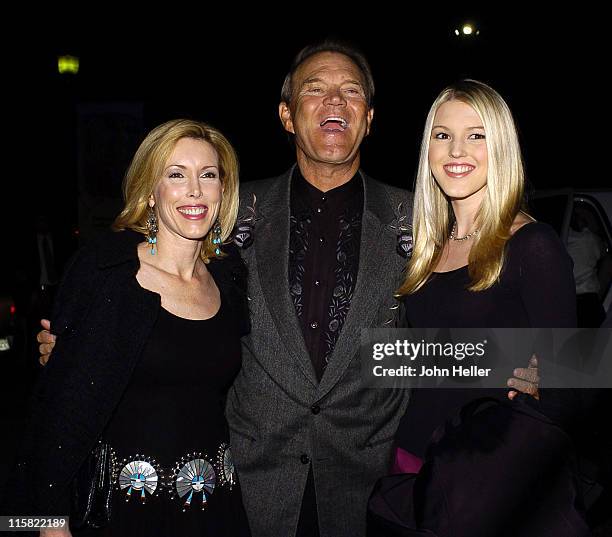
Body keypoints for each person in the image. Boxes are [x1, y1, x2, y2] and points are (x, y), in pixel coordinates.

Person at [35, 47, 538, 537]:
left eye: (351, 92)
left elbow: (424, 342)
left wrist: (537, 366)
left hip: (368, 491)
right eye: (315, 90)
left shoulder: (421, 221)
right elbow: (155, 291)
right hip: (242, 492)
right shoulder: (225, 210)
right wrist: (83, 344)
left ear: (369, 118)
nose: (335, 101)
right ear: (287, 116)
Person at [7, 119, 250, 536]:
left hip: (216, 510)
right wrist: (49, 523)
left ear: (222, 191)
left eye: (207, 175)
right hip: (121, 515)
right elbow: (58, 411)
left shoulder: (230, 276)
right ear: (151, 194)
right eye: (176, 175)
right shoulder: (109, 273)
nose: (194, 190)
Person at [373, 80, 585, 536]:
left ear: (501, 146)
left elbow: (573, 382)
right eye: (442, 134)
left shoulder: (533, 245)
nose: (456, 150)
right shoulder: (428, 247)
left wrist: (546, 382)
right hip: (410, 463)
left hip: (485, 480)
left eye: (476, 134)